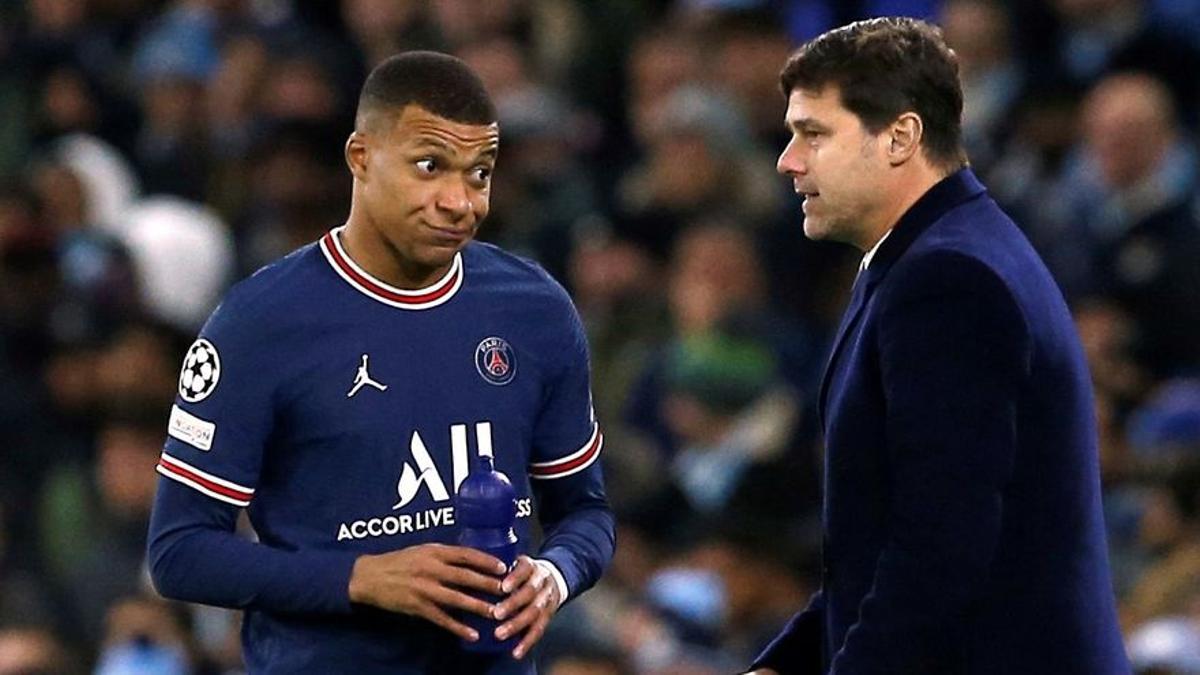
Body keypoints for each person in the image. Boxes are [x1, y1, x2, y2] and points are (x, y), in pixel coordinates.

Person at [147, 51, 615, 674]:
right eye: (431, 166)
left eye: (480, 173)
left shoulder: (534, 310)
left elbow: (585, 512)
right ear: (361, 158)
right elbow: (179, 551)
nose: (460, 201)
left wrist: (554, 575)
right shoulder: (260, 323)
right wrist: (359, 577)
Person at [747, 18, 1129, 674]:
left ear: (901, 137)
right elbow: (880, 549)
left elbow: (939, 550)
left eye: (813, 133)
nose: (789, 159)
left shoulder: (950, 280)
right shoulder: (923, 258)